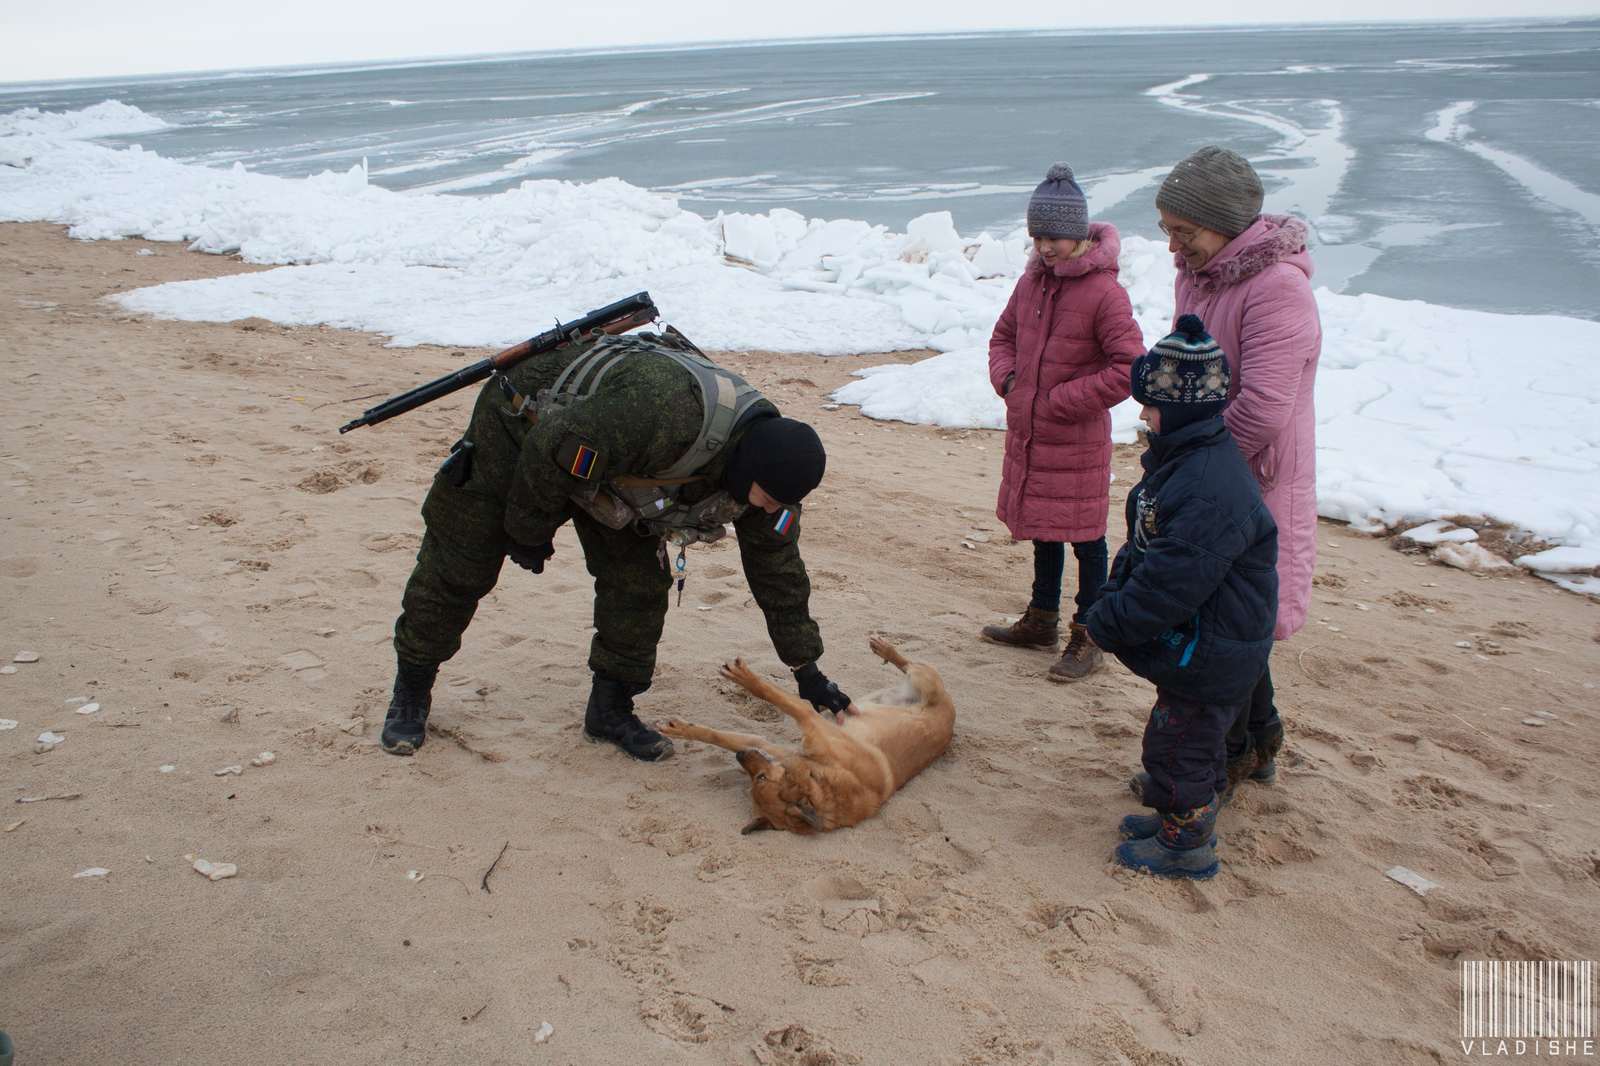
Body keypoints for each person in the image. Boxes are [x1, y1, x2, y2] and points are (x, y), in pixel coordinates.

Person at [379, 328, 852, 762]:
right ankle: (412, 689)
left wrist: (806, 668)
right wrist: (529, 532)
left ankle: (609, 709)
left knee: (640, 584)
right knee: (463, 561)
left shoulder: (774, 479)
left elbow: (779, 571)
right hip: (528, 425)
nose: (770, 511)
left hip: (621, 463)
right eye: (768, 500)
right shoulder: (665, 413)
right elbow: (551, 444)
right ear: (751, 471)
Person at [1084, 315, 1278, 879]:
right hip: (1208, 639)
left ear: (1184, 409)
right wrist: (1113, 597)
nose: (1142, 414)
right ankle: (1178, 811)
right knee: (1191, 736)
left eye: (1150, 404)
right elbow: (1147, 546)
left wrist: (1110, 621)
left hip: (1212, 644)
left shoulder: (1207, 487)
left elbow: (1170, 580)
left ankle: (1185, 844)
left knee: (1179, 746)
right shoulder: (1187, 464)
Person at [1155, 145, 1321, 792]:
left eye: (1184, 231)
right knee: (1229, 615)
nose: (1173, 246)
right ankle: (1259, 737)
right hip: (1208, 470)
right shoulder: (1198, 275)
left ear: (1224, 223)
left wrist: (1191, 459)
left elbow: (1265, 407)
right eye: (1166, 229)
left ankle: (1225, 754)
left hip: (1254, 481)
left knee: (1230, 622)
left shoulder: (1278, 288)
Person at [982, 162, 1145, 682]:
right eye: (1037, 237)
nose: (1044, 247)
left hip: (1074, 437)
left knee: (1086, 537)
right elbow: (1001, 338)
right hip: (1031, 434)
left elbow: (1129, 368)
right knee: (1044, 530)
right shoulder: (1032, 284)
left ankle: (1089, 633)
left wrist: (1058, 401)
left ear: (1077, 234)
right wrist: (1009, 383)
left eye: (1053, 237)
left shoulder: (1104, 293)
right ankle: (1041, 620)